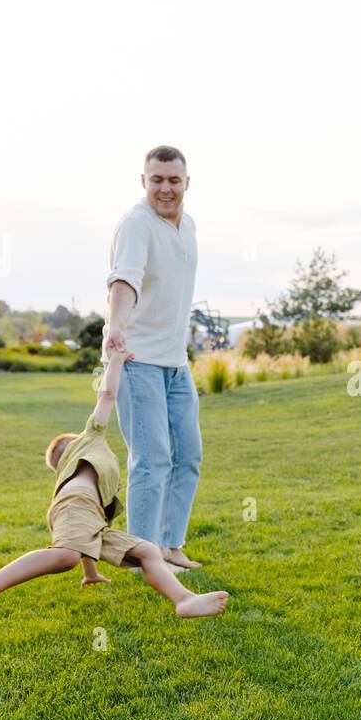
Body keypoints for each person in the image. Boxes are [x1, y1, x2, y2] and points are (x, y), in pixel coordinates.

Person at [0, 345, 228, 637]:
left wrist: (91, 573)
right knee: (65, 555)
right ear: (74, 445)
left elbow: (87, 535)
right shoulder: (90, 438)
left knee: (146, 551)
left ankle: (184, 599)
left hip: (90, 515)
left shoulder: (81, 485)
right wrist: (116, 361)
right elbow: (107, 394)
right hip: (79, 505)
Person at [104, 145, 204, 572]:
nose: (165, 188)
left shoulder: (189, 225)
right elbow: (124, 279)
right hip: (136, 360)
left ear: (187, 183)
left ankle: (170, 546)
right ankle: (142, 556)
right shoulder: (136, 225)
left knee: (188, 455)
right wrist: (116, 324)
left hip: (176, 363)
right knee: (152, 459)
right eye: (157, 179)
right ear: (143, 181)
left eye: (174, 180)